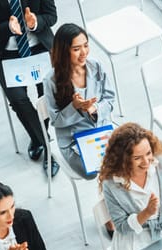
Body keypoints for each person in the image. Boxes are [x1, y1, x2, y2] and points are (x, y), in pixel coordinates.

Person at [0, 0, 60, 177]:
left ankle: (39, 136)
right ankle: (44, 142)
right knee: (18, 99)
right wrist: (8, 27)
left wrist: (35, 22)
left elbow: (51, 16)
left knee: (47, 92)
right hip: (6, 53)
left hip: (39, 47)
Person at [44, 23, 115, 178]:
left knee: (129, 159)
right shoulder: (51, 80)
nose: (84, 53)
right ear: (64, 52)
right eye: (76, 49)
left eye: (86, 46)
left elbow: (110, 99)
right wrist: (74, 107)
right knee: (96, 171)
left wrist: (94, 109)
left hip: (101, 128)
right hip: (73, 140)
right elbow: (56, 121)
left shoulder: (95, 66)